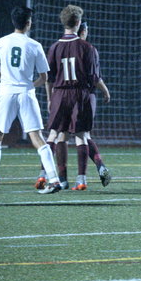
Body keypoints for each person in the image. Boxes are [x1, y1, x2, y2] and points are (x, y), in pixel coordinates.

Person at [0, 6, 62, 194]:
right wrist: (30, 85)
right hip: (26, 94)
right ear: (29, 23)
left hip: (6, 93)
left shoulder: (2, 41)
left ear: (13, 22)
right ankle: (54, 180)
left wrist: (1, 73)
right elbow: (44, 77)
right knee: (37, 137)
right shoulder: (34, 45)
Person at [34, 21, 111, 190]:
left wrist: (49, 99)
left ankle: (50, 175)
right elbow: (94, 77)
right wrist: (105, 91)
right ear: (82, 29)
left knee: (57, 134)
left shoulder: (55, 47)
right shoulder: (88, 48)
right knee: (82, 135)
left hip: (60, 94)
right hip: (82, 94)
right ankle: (84, 177)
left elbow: (49, 77)